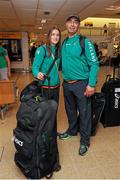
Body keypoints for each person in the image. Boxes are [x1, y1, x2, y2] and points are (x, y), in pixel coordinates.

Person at [59, 15, 99, 156]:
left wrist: (91, 84)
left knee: (84, 113)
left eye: (76, 23)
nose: (72, 25)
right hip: (67, 84)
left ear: (78, 26)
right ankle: (71, 131)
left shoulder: (84, 42)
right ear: (66, 24)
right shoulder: (64, 43)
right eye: (70, 22)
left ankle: (85, 141)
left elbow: (94, 64)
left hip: (82, 84)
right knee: (70, 110)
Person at [32, 26, 61, 104]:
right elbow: (35, 67)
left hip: (57, 86)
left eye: (57, 35)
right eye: (53, 34)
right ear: (49, 36)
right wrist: (37, 73)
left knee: (54, 110)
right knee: (45, 112)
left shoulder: (59, 50)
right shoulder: (42, 49)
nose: (55, 37)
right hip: (45, 86)